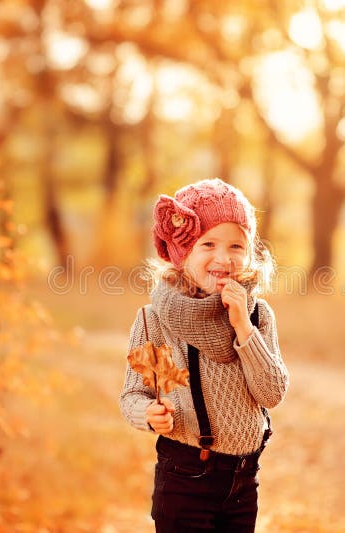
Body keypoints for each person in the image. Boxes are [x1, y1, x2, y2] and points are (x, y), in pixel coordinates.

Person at [120, 178, 289, 532]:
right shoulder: (155, 321)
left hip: (244, 481)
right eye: (208, 244)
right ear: (183, 253)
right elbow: (133, 395)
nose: (223, 258)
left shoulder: (257, 315)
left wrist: (243, 326)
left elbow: (271, 393)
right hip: (185, 477)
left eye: (236, 246)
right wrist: (148, 413)